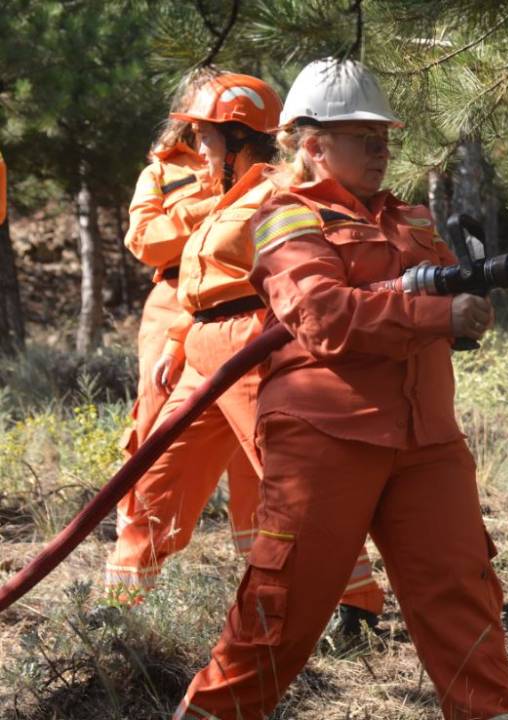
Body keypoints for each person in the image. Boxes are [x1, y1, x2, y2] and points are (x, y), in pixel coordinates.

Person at [174, 58, 508, 720]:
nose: (381, 149)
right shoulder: (283, 217)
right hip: (324, 439)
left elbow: (446, 291)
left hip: (428, 442)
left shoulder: (410, 219)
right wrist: (434, 314)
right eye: (363, 137)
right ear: (310, 144)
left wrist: (466, 314)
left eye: (385, 137)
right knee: (280, 616)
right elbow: (323, 317)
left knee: (464, 599)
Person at [107, 72, 386, 630]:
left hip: (253, 347)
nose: (200, 153)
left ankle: (352, 601)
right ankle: (121, 607)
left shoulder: (285, 191)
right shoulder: (224, 189)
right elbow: (202, 275)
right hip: (204, 346)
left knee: (288, 479)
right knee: (158, 469)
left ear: (238, 140)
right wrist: (184, 339)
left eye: (208, 141)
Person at [109, 68, 261, 593]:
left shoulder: (268, 173)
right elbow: (146, 240)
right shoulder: (161, 171)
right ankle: (130, 586)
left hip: (245, 301)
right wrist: (217, 202)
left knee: (262, 447)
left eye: (209, 125)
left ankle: (288, 584)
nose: (201, 134)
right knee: (156, 433)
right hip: (174, 300)